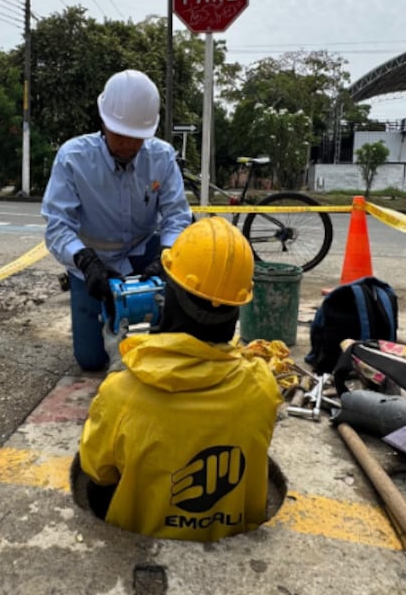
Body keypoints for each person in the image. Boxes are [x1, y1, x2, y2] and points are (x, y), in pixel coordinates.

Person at [77, 217, 282, 542]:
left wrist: (121, 366)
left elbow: (97, 471)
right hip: (229, 543)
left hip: (141, 543)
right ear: (238, 308)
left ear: (169, 298)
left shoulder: (122, 394)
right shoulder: (263, 385)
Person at [41, 69, 192, 370]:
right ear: (103, 122)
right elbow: (58, 225)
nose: (127, 145)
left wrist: (166, 255)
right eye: (119, 134)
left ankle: (160, 323)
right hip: (91, 262)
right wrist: (84, 260)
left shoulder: (161, 157)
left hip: (142, 250)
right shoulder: (73, 158)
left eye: (136, 138)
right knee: (91, 360)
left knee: (167, 339)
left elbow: (177, 215)